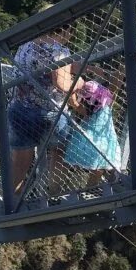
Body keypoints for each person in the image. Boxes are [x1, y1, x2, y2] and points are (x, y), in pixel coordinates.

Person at [7, 21, 82, 195]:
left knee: (21, 158)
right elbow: (61, 83)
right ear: (66, 30)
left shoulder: (26, 44)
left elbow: (58, 66)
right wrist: (79, 82)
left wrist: (88, 66)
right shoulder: (59, 50)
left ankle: (12, 200)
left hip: (20, 108)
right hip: (49, 112)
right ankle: (54, 191)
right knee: (59, 150)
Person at [65, 80, 121, 186]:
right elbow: (115, 86)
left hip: (90, 139)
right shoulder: (105, 108)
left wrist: (74, 94)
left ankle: (90, 187)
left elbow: (75, 102)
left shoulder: (87, 114)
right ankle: (92, 186)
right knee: (100, 161)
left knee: (94, 162)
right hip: (104, 139)